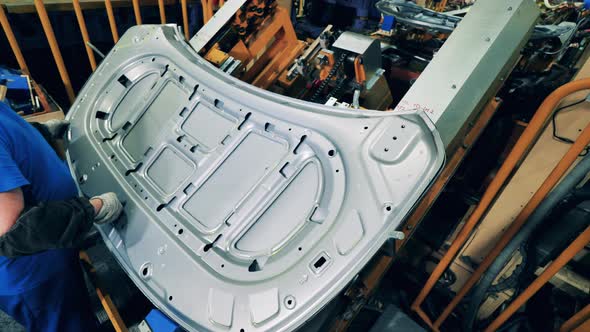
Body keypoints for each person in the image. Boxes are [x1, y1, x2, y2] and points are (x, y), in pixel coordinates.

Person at [0, 100, 124, 331]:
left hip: (54, 248)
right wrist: (93, 209)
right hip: (34, 275)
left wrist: (38, 134)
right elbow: (15, 231)